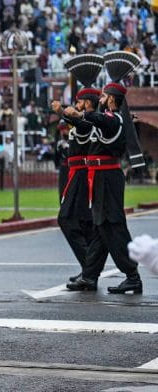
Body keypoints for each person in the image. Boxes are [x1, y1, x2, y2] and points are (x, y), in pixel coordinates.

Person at [62, 83, 142, 294]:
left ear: (112, 99)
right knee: (100, 228)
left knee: (113, 226)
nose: (100, 98)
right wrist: (71, 114)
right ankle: (89, 276)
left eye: (104, 95)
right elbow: (93, 121)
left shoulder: (113, 119)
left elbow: (99, 120)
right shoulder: (109, 118)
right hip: (99, 177)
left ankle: (133, 276)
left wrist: (81, 114)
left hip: (107, 178)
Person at [51, 88, 102, 287]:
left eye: (79, 102)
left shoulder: (87, 121)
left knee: (65, 219)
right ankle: (88, 271)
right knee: (84, 223)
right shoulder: (88, 120)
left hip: (81, 175)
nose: (76, 104)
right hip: (77, 174)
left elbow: (79, 122)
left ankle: (90, 268)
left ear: (87, 104)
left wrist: (60, 111)